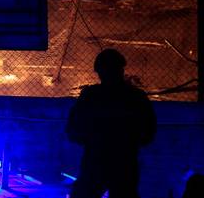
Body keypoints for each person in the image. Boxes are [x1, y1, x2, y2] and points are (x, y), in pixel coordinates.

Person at [66, 48, 156, 198]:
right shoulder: (135, 97)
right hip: (124, 160)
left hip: (96, 159)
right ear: (121, 70)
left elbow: (73, 128)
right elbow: (148, 131)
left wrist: (91, 140)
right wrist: (130, 142)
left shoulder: (91, 96)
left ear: (100, 72)